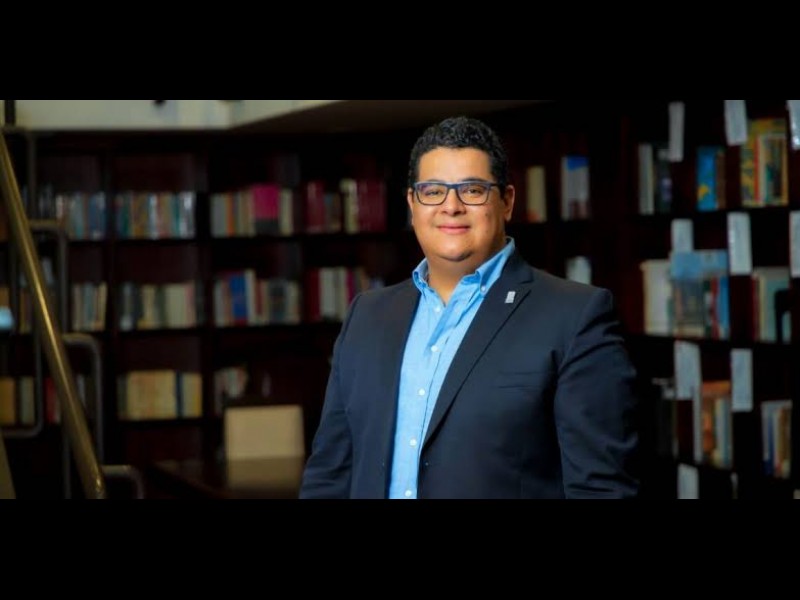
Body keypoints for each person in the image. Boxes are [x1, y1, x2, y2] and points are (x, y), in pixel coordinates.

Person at [299, 115, 639, 499]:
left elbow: (600, 490)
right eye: (432, 191)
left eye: (473, 190)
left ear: (507, 201)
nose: (451, 206)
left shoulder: (574, 317)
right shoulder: (367, 315)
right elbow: (331, 473)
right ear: (412, 204)